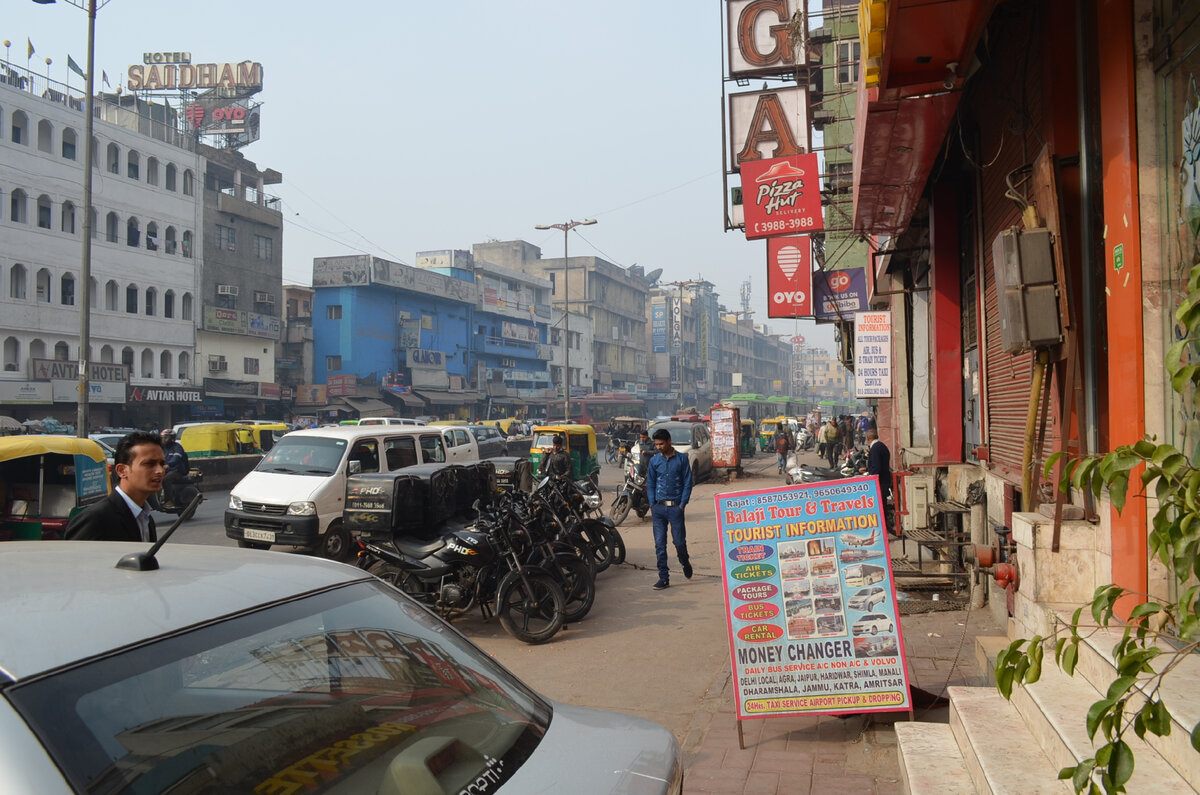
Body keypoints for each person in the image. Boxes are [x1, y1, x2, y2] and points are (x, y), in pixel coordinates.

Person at [66, 431, 164, 542]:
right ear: (122, 471)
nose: (160, 471)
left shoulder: (146, 519)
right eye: (149, 464)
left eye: (161, 464)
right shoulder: (95, 519)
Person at [645, 428, 693, 590]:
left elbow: (688, 483)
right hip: (658, 509)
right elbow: (650, 483)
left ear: (669, 441)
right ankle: (663, 577)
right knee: (660, 545)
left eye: (661, 443)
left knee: (679, 542)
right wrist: (652, 503)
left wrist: (682, 505)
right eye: (656, 444)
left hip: (676, 509)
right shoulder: (654, 461)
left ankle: (684, 561)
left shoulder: (681, 460)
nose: (658, 447)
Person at [862, 428, 894, 535]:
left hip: (880, 481)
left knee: (880, 505)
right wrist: (867, 469)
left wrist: (870, 478)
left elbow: (877, 467)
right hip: (884, 479)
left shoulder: (875, 448)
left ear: (868, 438)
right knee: (882, 504)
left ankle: (883, 529)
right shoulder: (881, 446)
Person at [160, 429, 190, 506]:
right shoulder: (162, 448)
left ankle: (169, 501)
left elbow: (176, 458)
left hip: (177, 471)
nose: (163, 439)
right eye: (163, 437)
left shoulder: (177, 447)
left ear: (171, 438)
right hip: (166, 471)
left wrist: (169, 464)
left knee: (166, 479)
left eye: (166, 437)